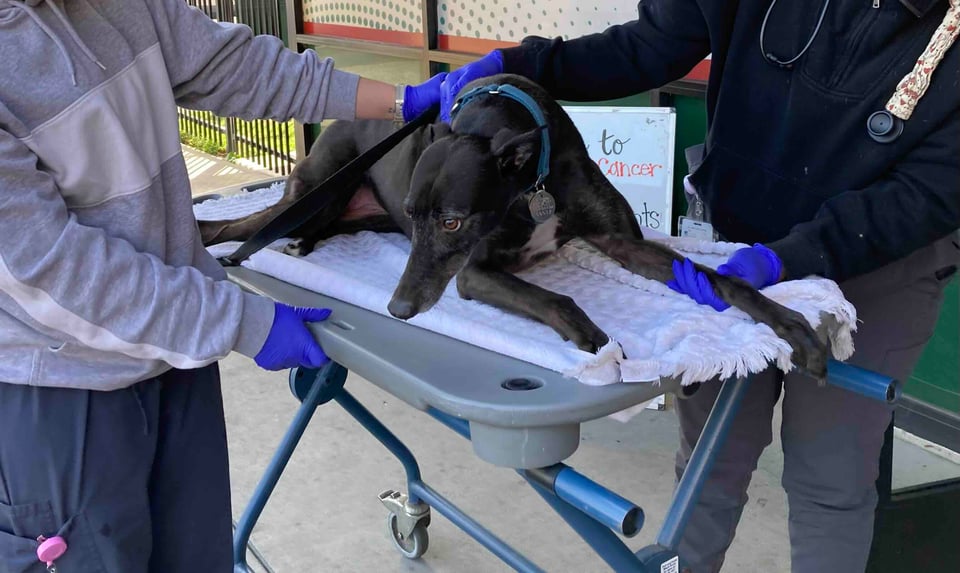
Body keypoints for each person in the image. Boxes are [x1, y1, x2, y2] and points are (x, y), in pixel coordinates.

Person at [431, 1, 959, 572]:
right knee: (710, 462)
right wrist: (520, 64)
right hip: (729, 246)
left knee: (830, 478)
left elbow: (932, 189)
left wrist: (792, 257)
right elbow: (647, 45)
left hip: (875, 270)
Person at [0, 0, 442, 571]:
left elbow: (235, 66)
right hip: (62, 385)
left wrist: (400, 102)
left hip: (175, 353)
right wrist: (245, 322)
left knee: (196, 556)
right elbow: (52, 266)